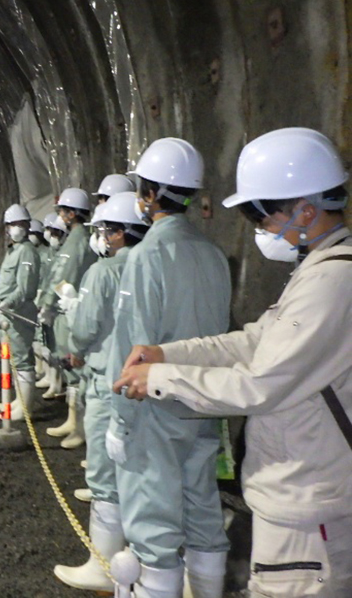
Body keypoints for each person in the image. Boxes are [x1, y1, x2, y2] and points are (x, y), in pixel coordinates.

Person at [114, 128, 352, 598]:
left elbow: (259, 384)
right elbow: (251, 341)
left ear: (306, 210)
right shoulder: (319, 270)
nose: (258, 228)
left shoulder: (332, 283)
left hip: (307, 504)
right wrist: (168, 354)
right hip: (298, 491)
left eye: (260, 214)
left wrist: (160, 377)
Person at [105, 138, 232, 597]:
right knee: (202, 511)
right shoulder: (214, 255)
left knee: (153, 526)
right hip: (203, 404)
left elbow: (133, 348)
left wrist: (120, 420)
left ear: (149, 193)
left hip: (154, 411)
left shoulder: (145, 258)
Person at [53, 191, 149, 592]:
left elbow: (88, 326)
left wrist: (73, 349)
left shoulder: (103, 271)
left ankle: (104, 566)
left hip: (107, 378)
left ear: (118, 234)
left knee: (105, 474)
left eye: (106, 230)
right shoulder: (152, 266)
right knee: (138, 471)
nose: (102, 236)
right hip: (147, 381)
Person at [38, 188, 96, 448]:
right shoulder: (75, 239)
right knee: (70, 367)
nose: (59, 215)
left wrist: (49, 304)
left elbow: (65, 275)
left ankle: (79, 427)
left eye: (62, 211)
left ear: (72, 214)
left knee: (76, 369)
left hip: (70, 311)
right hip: (65, 308)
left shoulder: (77, 240)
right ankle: (73, 421)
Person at [0, 204, 41, 420]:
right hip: (8, 313)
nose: (13, 229)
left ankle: (25, 408)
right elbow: (8, 282)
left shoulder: (27, 251)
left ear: (27, 226)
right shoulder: (15, 250)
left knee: (22, 359)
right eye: (11, 225)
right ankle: (18, 402)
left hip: (18, 314)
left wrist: (7, 303)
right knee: (13, 359)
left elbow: (25, 289)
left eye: (18, 224)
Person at [34, 213, 68, 382]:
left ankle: (58, 381)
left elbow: (62, 281)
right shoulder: (52, 253)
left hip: (60, 305)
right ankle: (50, 377)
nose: (51, 235)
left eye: (55, 232)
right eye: (49, 231)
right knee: (47, 341)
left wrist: (50, 303)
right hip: (49, 300)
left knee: (58, 344)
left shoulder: (65, 254)